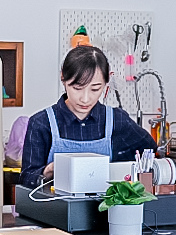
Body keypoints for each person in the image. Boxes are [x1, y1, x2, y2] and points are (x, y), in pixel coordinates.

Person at [21, 45, 156, 188]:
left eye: (95, 89)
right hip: (54, 209)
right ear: (63, 78)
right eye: (77, 88)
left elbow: (150, 154)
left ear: (107, 82)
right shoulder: (42, 123)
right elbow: (26, 179)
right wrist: (48, 171)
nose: (85, 99)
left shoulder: (117, 120)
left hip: (105, 209)